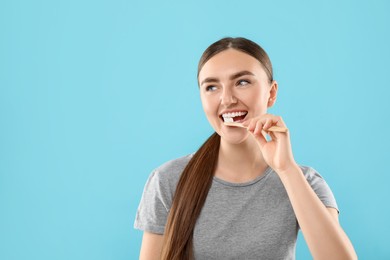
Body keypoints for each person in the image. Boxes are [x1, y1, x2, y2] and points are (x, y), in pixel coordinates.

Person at [134, 37, 357, 260]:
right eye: (211, 87)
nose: (227, 99)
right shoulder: (167, 180)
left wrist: (287, 169)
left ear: (271, 93)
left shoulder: (305, 182)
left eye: (242, 82)